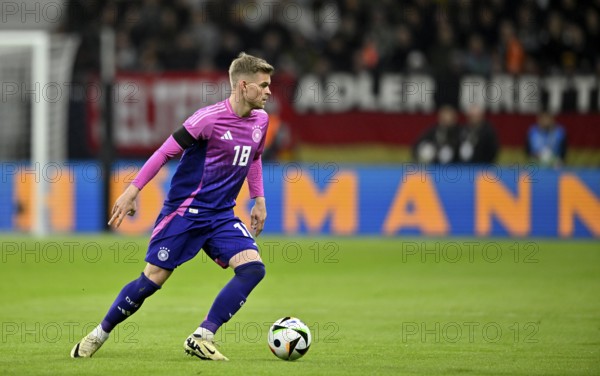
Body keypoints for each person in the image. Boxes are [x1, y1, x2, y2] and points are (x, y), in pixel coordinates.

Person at [71, 52, 274, 361]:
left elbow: (255, 156)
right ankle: (99, 333)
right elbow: (164, 152)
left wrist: (258, 198)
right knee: (153, 279)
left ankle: (202, 335)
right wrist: (132, 190)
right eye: (263, 85)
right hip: (185, 213)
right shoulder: (208, 119)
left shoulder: (261, 120)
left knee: (252, 269)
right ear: (243, 85)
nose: (269, 91)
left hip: (221, 215)